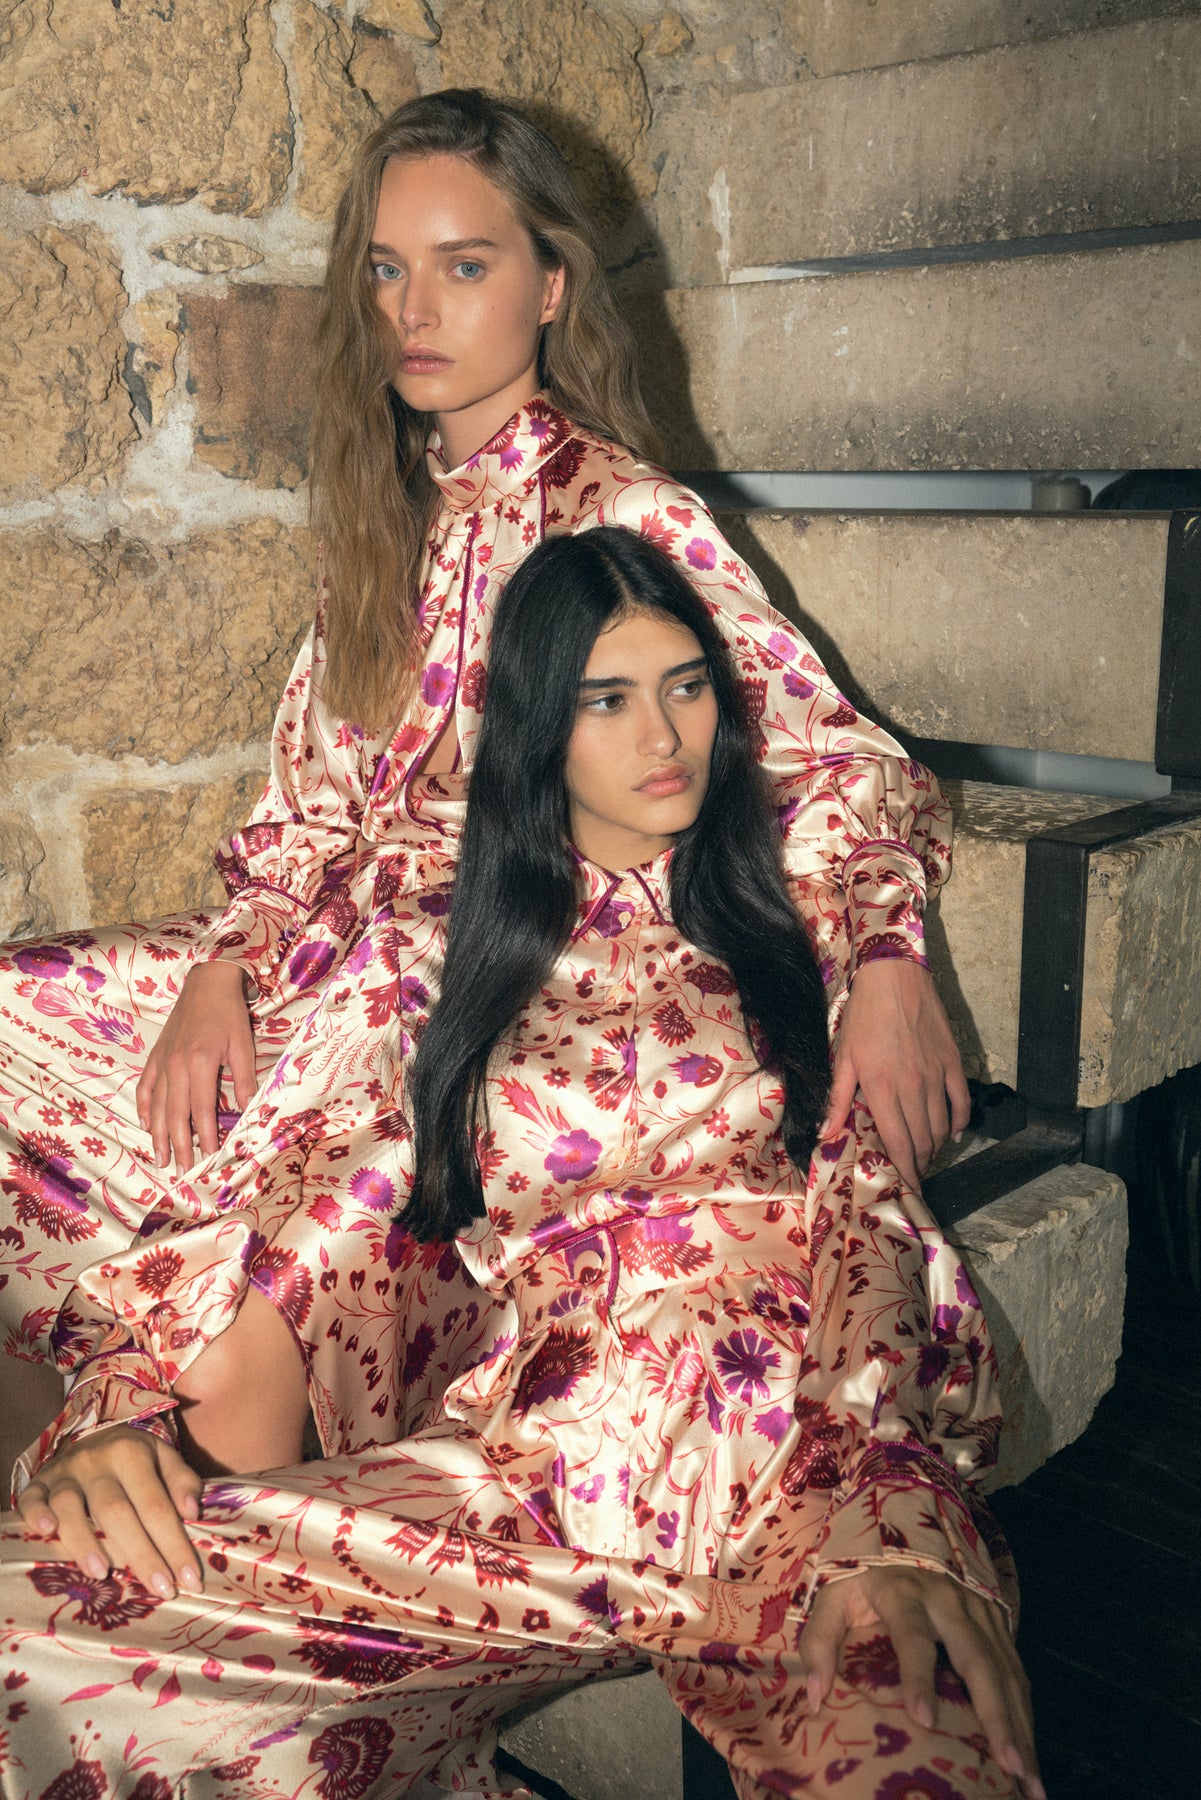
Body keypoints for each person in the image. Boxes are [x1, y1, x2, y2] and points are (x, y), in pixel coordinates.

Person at [0, 89, 965, 1572]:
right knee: (21, 1014)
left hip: (498, 973)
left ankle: (192, 1524)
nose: (416, 310)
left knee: (333, 1158)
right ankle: (103, 1434)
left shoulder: (625, 515)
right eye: (387, 270)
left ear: (551, 284)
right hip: (327, 950)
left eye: (465, 265)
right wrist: (225, 966)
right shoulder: (388, 517)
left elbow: (831, 761)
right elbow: (309, 798)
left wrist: (888, 964)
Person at [1, 527, 1039, 1800]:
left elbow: (870, 1207)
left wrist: (891, 1503)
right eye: (606, 701)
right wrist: (120, 1410)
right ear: (539, 729)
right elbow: (281, 1185)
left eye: (686, 686)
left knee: (929, 1763)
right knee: (34, 1618)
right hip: (536, 1482)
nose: (662, 736)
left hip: (799, 1465)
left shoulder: (801, 916)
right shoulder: (433, 956)